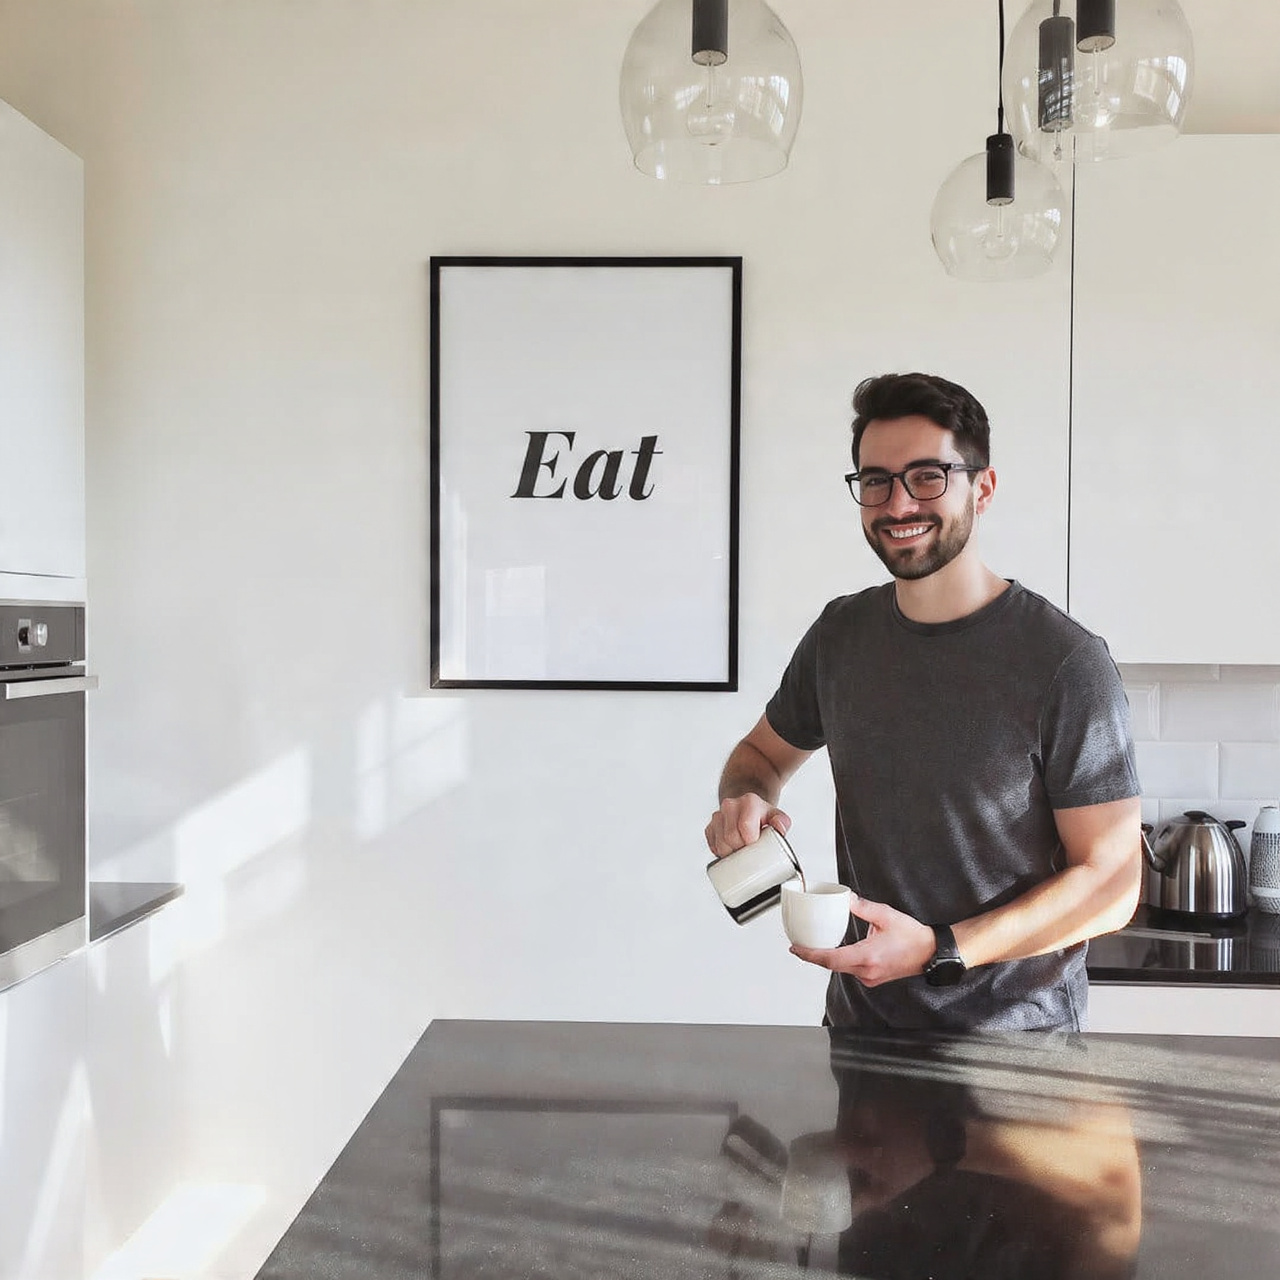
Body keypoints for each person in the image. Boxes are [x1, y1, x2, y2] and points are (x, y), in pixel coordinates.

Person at [704, 372, 1142, 1031]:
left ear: (983, 489)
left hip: (1018, 1054)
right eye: (875, 480)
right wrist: (745, 799)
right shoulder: (840, 636)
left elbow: (1112, 885)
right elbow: (761, 755)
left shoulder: (1065, 662)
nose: (898, 503)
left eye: (928, 476)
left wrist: (942, 951)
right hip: (862, 1032)